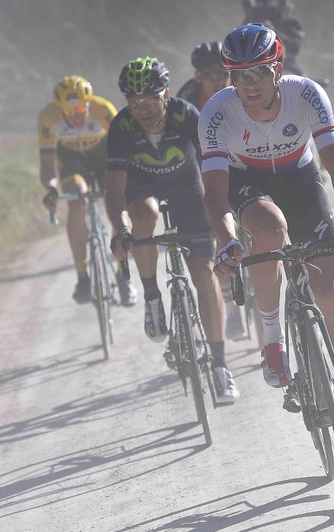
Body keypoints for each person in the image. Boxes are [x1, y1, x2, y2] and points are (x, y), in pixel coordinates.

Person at [198, 24, 334, 448]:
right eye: (239, 75)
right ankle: (272, 340)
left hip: (301, 180)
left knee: (330, 293)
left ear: (277, 69)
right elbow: (216, 193)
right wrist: (227, 241)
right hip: (248, 183)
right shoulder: (217, 111)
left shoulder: (306, 93)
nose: (249, 84)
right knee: (271, 231)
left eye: (258, 72)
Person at [106, 57, 240, 402]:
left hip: (187, 188)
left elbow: (213, 165)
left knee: (204, 276)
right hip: (142, 189)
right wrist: (120, 229)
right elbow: (116, 189)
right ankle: (152, 296)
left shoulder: (186, 115)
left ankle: (220, 366)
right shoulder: (122, 126)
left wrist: (224, 210)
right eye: (134, 101)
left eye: (149, 99)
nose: (142, 108)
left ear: (165, 95)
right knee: (144, 214)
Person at [38, 75, 137, 306]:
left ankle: (123, 275)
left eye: (82, 109)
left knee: (118, 203)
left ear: (89, 104)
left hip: (103, 156)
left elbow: (125, 151)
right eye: (70, 112)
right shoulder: (48, 117)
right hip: (72, 160)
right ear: (59, 109)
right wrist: (51, 189)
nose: (77, 116)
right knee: (76, 199)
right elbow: (47, 166)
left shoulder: (104, 110)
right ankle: (82, 276)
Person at [177, 41, 248, 341]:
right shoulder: (187, 100)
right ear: (197, 77)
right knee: (216, 226)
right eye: (210, 76)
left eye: (223, 74)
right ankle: (232, 309)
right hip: (204, 163)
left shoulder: (243, 89)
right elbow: (183, 149)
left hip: (241, 154)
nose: (219, 81)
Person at [242, 0, 304, 76]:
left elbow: (295, 47)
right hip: (254, 63)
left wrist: (273, 32)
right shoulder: (254, 16)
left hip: (285, 64)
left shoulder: (289, 21)